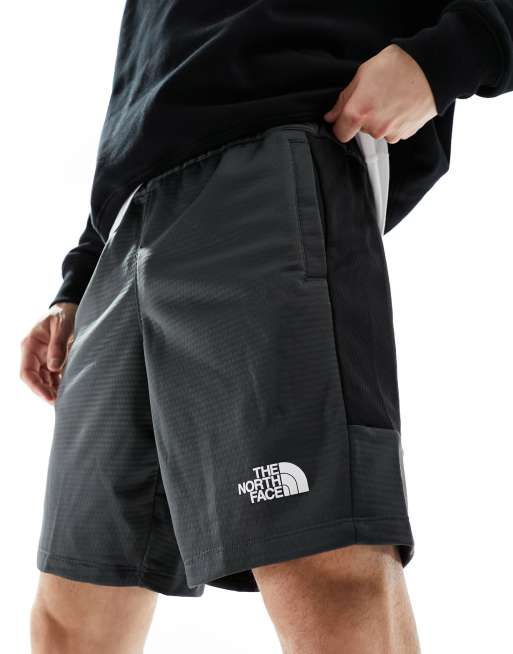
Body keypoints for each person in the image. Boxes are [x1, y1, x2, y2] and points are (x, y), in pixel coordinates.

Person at [20, 2, 513, 653]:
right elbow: (147, 70)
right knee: (74, 607)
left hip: (275, 147)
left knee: (321, 563)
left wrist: (448, 56)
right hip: (125, 230)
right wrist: (78, 278)